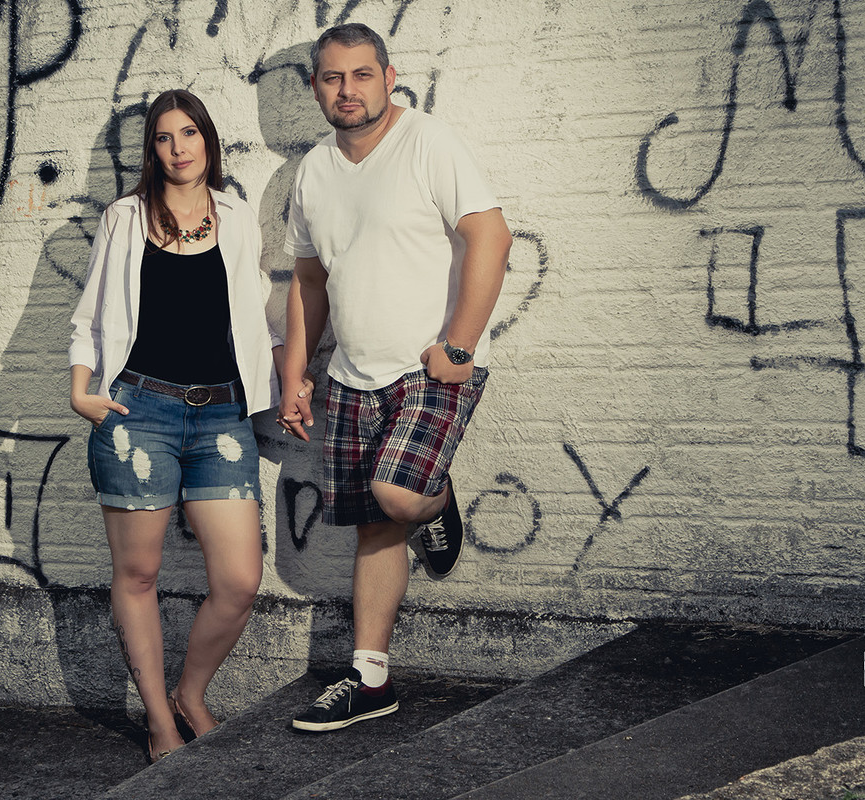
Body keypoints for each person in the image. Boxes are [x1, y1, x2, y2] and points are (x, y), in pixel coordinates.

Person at [277, 24, 513, 732]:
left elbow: (491, 234)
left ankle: (433, 505)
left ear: (388, 75)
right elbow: (309, 280)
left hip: (428, 366)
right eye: (332, 78)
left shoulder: (427, 142)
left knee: (397, 494)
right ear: (316, 87)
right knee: (376, 529)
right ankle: (370, 678)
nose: (346, 90)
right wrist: (295, 372)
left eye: (361, 75)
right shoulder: (314, 171)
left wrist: (458, 346)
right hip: (352, 375)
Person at [69, 89, 306, 761]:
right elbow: (89, 318)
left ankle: (190, 692)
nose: (178, 148)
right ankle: (159, 720)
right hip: (136, 412)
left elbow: (255, 319)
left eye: (190, 134)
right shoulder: (123, 218)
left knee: (238, 581)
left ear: (208, 140)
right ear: (153, 149)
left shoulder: (234, 217)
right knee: (138, 573)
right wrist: (81, 393)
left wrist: (290, 380)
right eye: (165, 137)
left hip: (222, 415)